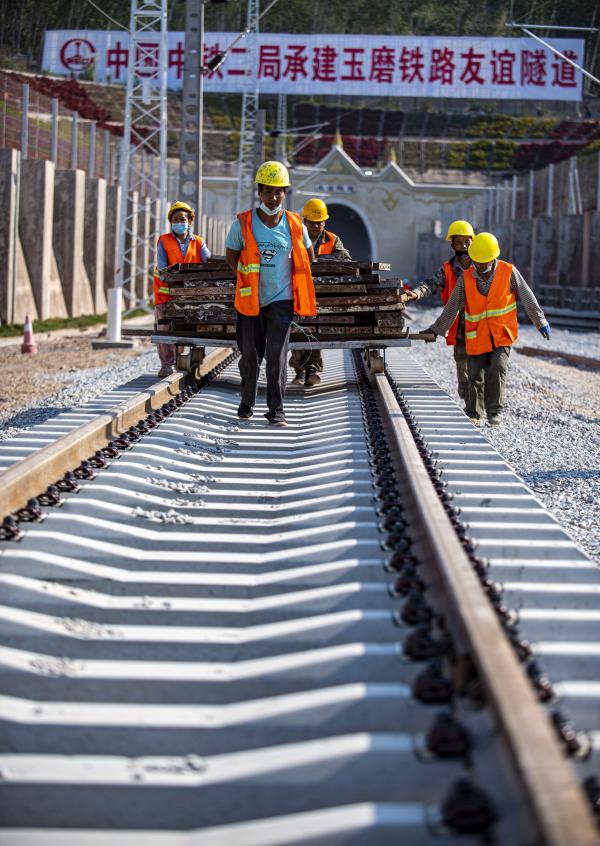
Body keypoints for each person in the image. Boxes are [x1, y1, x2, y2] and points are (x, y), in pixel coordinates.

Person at [225, 161, 316, 427]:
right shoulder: (243, 223)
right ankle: (247, 404)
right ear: (259, 192)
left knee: (277, 356)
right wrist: (246, 278)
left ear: (285, 193)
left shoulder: (295, 224)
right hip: (249, 299)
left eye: (279, 192)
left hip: (281, 299)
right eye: (268, 191)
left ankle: (277, 411)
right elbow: (232, 255)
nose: (273, 197)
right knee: (250, 355)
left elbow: (307, 256)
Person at [427, 232, 550, 426]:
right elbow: (452, 307)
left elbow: (526, 295)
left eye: (485, 263)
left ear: (493, 257)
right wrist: (437, 329)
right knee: (475, 374)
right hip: (477, 336)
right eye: (478, 263)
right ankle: (474, 413)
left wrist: (540, 321)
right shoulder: (466, 278)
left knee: (498, 368)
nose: (481, 267)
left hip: (502, 334)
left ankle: (494, 412)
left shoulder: (508, 272)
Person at [403, 220, 474, 403]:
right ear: (452, 245)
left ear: (473, 241)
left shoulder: (482, 266)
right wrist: (415, 294)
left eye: (467, 242)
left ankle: (477, 404)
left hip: (481, 326)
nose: (463, 246)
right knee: (463, 368)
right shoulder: (448, 269)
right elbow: (430, 285)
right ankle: (469, 402)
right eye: (459, 243)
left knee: (481, 366)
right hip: (459, 326)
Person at [290, 198, 351, 387]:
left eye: (320, 222)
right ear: (304, 222)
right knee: (298, 329)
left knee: (315, 329)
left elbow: (346, 259)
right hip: (298, 291)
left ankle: (312, 370)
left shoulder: (332, 239)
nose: (316, 226)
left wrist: (320, 262)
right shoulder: (295, 238)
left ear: (324, 222)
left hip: (322, 294)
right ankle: (300, 370)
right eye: (312, 222)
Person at [153, 201, 211, 378]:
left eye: (182, 219)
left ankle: (182, 356)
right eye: (175, 219)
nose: (179, 222)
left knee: (188, 326)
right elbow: (163, 268)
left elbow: (208, 261)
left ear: (190, 221)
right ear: (171, 221)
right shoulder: (164, 241)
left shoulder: (198, 242)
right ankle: (166, 364)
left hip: (190, 295)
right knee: (165, 328)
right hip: (166, 292)